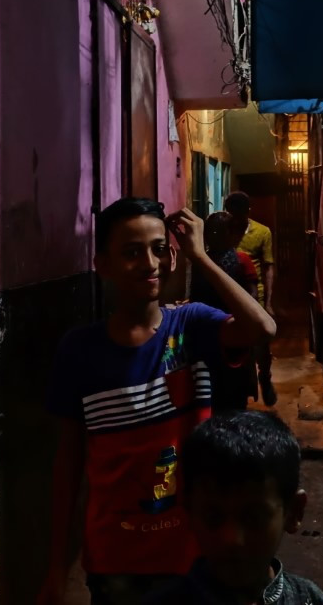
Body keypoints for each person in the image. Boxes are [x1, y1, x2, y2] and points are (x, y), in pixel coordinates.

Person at [38, 198, 276, 605]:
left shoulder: (191, 325)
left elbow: (262, 327)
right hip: (115, 560)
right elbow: (68, 465)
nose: (150, 263)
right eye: (132, 252)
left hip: (194, 551)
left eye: (158, 249)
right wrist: (57, 570)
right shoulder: (78, 351)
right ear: (103, 265)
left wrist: (200, 256)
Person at [144, 411, 323, 604]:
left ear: (293, 512)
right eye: (213, 518)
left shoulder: (309, 599)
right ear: (189, 512)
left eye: (254, 519)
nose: (232, 539)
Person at [189, 212, 258, 412]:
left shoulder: (201, 262)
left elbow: (194, 296)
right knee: (236, 385)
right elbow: (252, 297)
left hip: (208, 332)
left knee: (212, 387)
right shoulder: (241, 260)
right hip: (234, 328)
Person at [224, 192, 277, 407]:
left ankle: (264, 376)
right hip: (228, 293)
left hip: (256, 294)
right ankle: (241, 386)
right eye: (231, 214)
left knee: (261, 344)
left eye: (239, 215)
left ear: (248, 212)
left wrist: (269, 302)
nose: (235, 220)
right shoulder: (223, 230)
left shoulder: (262, 232)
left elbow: (268, 267)